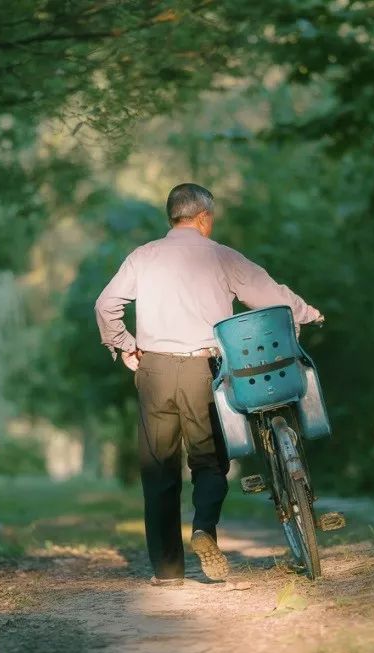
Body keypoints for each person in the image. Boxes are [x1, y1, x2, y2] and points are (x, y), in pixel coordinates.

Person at [94, 183, 323, 586]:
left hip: (155, 370)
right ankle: (203, 528)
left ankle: (167, 572)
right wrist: (308, 312)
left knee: (160, 468)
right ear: (203, 217)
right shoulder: (220, 256)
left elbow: (105, 305)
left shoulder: (143, 257)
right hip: (205, 369)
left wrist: (126, 346)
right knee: (210, 460)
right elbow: (271, 296)